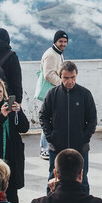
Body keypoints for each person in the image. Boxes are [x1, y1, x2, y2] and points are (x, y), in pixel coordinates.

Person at [40, 61, 97, 192]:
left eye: (72, 78)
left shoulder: (85, 94)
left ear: (76, 76)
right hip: (57, 147)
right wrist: (51, 136)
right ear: (60, 77)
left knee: (82, 181)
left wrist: (85, 137)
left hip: (80, 148)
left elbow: (92, 119)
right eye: (66, 78)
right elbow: (43, 116)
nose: (69, 81)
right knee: (53, 179)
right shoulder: (52, 94)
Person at [38, 30, 68, 159]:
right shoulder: (51, 55)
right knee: (49, 120)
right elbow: (48, 74)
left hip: (53, 91)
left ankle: (47, 147)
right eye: (60, 41)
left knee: (51, 119)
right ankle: (44, 149)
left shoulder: (58, 53)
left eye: (65, 42)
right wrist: (63, 84)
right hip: (50, 92)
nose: (63, 44)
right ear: (55, 41)